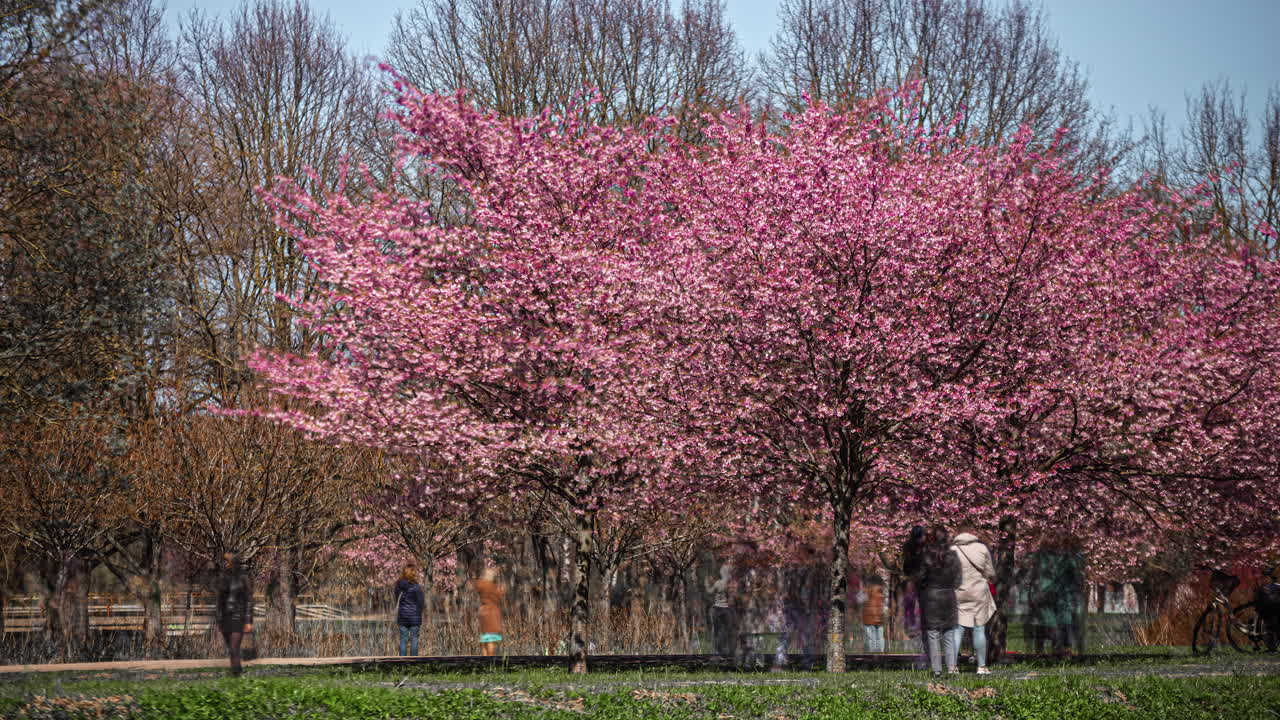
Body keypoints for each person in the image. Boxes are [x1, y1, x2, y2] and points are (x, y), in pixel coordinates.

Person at [1028, 532, 1084, 657]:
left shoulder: (1051, 557)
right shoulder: (1059, 557)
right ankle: (1058, 649)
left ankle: (1047, 649)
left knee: (1048, 623)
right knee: (1055, 622)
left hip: (1049, 593)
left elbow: (1034, 576)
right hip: (1052, 593)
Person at [950, 527, 997, 674]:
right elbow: (990, 571)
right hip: (978, 593)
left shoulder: (952, 550)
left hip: (959, 593)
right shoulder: (982, 549)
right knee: (979, 627)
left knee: (957, 630)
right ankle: (981, 666)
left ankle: (952, 667)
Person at [920, 526, 961, 677]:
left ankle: (936, 670)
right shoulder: (953, 556)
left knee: (933, 634)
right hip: (949, 596)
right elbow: (958, 580)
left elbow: (921, 577)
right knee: (949, 633)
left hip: (931, 596)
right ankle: (951, 668)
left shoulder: (926, 556)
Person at [214, 552, 253, 677]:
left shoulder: (243, 578)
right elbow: (219, 600)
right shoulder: (223, 578)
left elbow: (249, 600)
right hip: (226, 617)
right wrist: (219, 620)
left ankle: (236, 674)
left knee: (234, 647)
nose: (225, 563)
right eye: (224, 561)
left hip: (238, 616)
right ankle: (237, 672)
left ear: (234, 562)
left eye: (227, 561)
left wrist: (248, 621)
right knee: (231, 649)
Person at [901, 526, 927, 667]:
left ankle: (914, 633)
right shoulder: (924, 550)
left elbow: (905, 567)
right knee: (920, 615)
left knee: (913, 612)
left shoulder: (908, 548)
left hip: (914, 584)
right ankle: (921, 644)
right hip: (921, 585)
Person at [474, 566, 507, 657]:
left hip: (484, 613)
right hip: (492, 615)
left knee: (485, 640)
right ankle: (490, 659)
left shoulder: (482, 585)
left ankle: (485, 659)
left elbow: (475, 584)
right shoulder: (492, 587)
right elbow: (501, 594)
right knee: (490, 640)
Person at [394, 564, 426, 657]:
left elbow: (397, 599)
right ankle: (413, 662)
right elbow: (421, 602)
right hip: (414, 616)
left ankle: (402, 662)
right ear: (413, 573)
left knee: (403, 639)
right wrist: (419, 611)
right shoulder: (416, 587)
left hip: (402, 616)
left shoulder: (398, 586)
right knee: (414, 639)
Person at [707, 563, 736, 656]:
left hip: (717, 609)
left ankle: (716, 650)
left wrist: (707, 584)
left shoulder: (718, 583)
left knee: (716, 630)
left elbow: (710, 592)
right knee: (726, 630)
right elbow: (731, 598)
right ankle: (725, 650)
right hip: (725, 609)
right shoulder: (729, 584)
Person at [860, 569, 886, 653]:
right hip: (879, 617)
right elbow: (885, 604)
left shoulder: (867, 590)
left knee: (871, 637)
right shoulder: (881, 591)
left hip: (869, 616)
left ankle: (873, 654)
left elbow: (859, 599)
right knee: (880, 637)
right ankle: (881, 653)